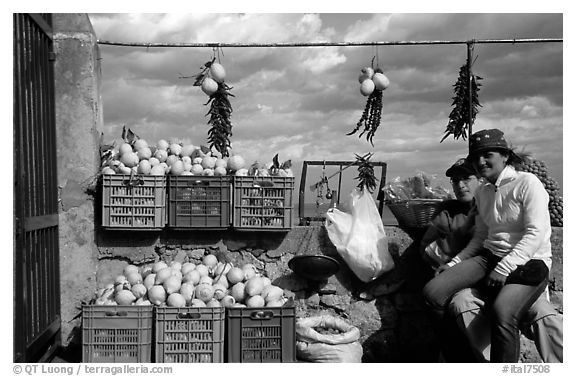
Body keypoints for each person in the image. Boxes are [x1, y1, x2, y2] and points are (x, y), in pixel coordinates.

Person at [422, 128, 553, 363]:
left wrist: (504, 268)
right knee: (433, 292)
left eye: (487, 154)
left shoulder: (527, 183)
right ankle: (461, 360)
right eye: (476, 157)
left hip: (530, 262)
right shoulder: (483, 192)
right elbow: (481, 237)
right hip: (489, 256)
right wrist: (454, 263)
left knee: (504, 313)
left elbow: (536, 233)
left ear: (504, 156)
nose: (481, 161)